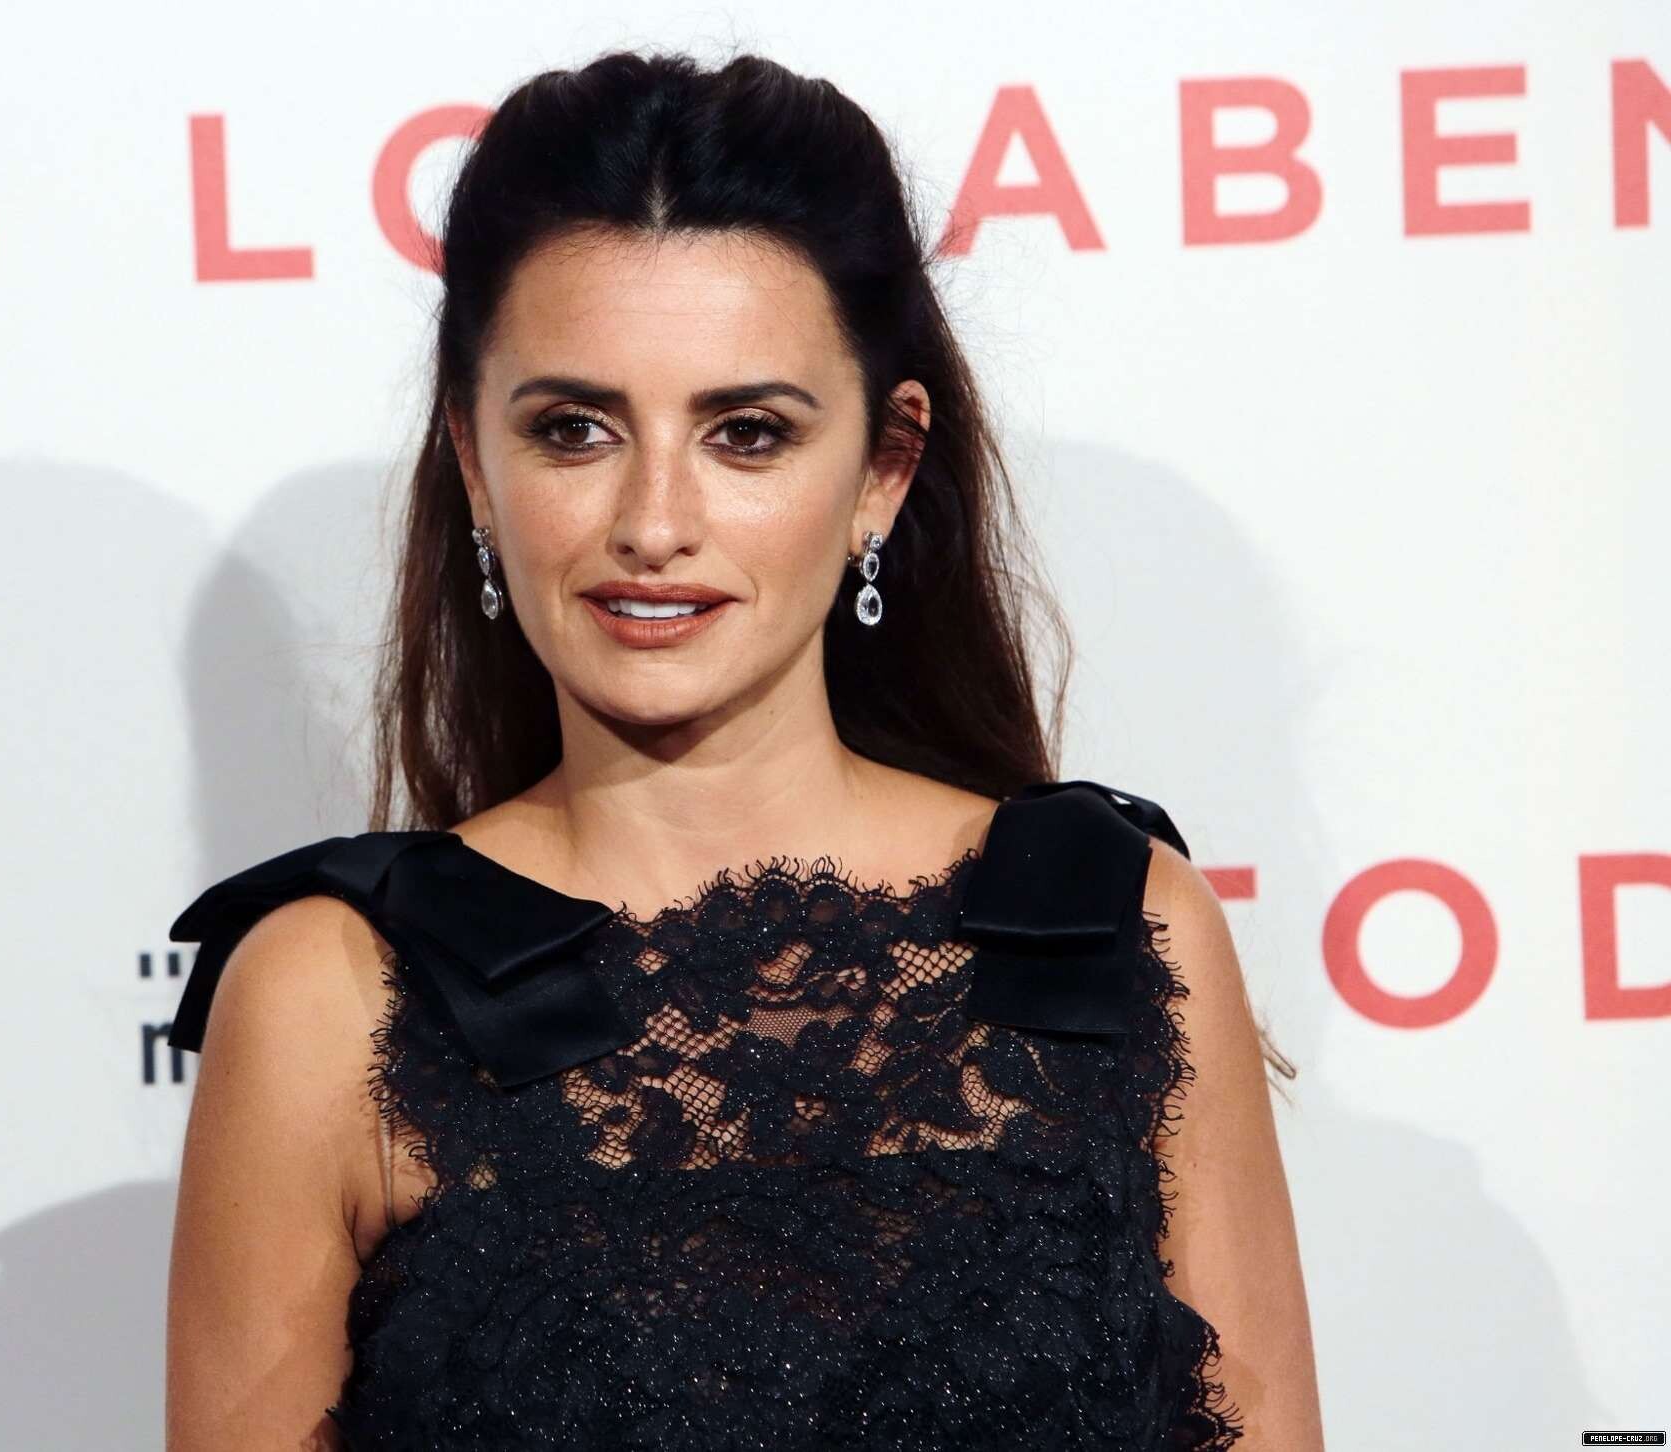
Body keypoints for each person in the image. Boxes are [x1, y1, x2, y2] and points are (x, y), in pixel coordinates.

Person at [163, 47, 1323, 1451]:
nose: (654, 522)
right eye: (574, 430)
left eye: (748, 434)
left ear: (884, 469)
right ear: (474, 460)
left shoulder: (1115, 926)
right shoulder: (331, 995)